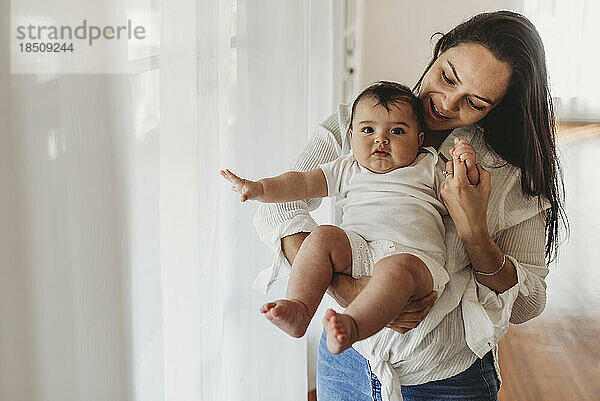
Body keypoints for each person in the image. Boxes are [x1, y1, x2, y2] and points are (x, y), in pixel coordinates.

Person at [253, 10, 566, 401]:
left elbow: (530, 301)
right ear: (439, 50)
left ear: (497, 109)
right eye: (448, 76)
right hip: (348, 360)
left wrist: (474, 232)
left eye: (475, 102)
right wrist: (350, 291)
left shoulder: (507, 172)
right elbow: (277, 209)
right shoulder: (357, 123)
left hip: (447, 377)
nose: (447, 103)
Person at [222, 82, 480, 359]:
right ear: (351, 135)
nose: (381, 139)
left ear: (418, 140)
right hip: (358, 250)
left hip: (414, 258)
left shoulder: (429, 165)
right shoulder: (347, 167)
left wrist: (467, 167)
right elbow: (301, 182)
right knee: (323, 236)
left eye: (397, 131)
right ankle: (300, 307)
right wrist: (260, 188)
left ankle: (352, 326)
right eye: (368, 130)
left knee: (396, 270)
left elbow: (464, 192)